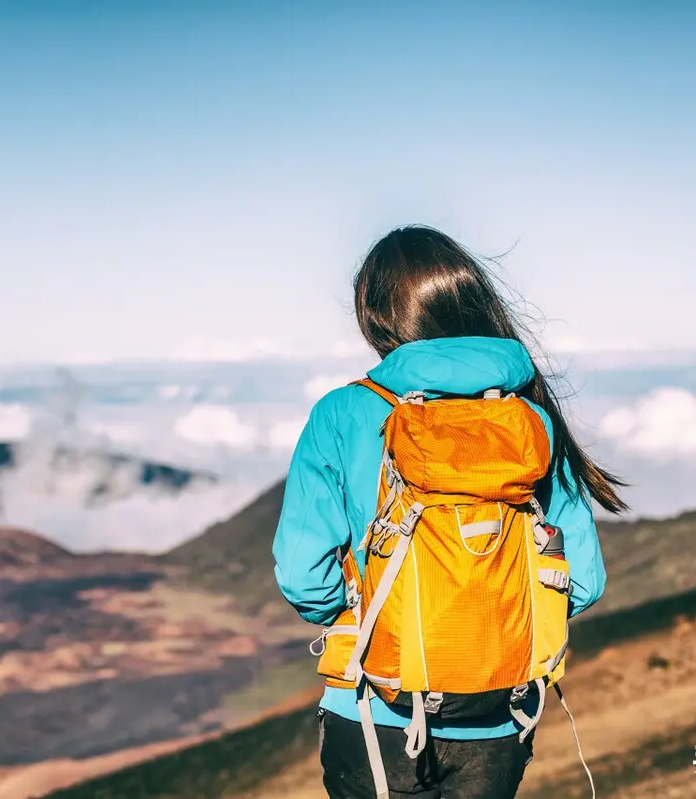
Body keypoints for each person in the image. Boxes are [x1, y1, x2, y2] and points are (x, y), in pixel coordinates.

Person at [272, 225, 626, 799]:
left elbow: (302, 576)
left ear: (376, 316)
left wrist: (384, 623)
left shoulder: (342, 413)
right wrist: (483, 629)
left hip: (372, 711)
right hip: (499, 720)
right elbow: (580, 581)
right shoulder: (530, 418)